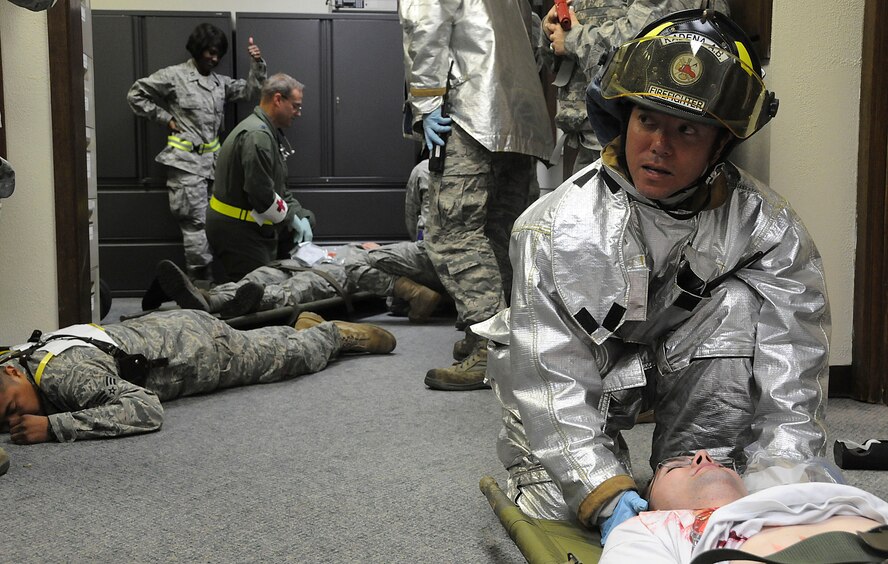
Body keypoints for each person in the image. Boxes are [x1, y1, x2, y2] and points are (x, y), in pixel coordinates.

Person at [474, 8, 834, 546]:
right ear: (624, 119)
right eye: (647, 121)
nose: (659, 146)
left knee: (737, 309)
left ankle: (689, 464)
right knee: (556, 501)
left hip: (686, 361)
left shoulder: (767, 229)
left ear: (721, 144)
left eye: (687, 129)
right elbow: (551, 372)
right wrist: (602, 491)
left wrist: (785, 484)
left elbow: (793, 375)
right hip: (584, 381)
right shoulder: (553, 228)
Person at [398, 0, 554, 391]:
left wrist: (426, 101)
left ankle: (491, 345)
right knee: (501, 233)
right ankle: (495, 334)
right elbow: (535, 35)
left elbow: (426, 23)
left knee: (453, 234)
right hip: (520, 116)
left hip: (469, 111)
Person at [0, 310, 395, 444]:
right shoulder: (13, 356)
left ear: (15, 373)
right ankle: (303, 325)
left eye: (15, 407)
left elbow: (144, 408)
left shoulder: (67, 378)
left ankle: (334, 334)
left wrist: (54, 427)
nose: (13, 421)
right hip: (166, 329)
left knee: (283, 361)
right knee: (258, 345)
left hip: (198, 351)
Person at [127, 23, 267, 284]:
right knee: (195, 229)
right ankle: (200, 290)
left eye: (218, 55)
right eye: (210, 53)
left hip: (215, 167)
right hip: (185, 166)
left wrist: (257, 63)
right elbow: (136, 94)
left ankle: (214, 290)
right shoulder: (174, 76)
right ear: (198, 49)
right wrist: (165, 117)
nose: (214, 59)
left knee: (218, 226)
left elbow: (252, 92)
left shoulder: (218, 83)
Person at [540, 0, 729, 176]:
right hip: (588, 138)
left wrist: (574, 39)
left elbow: (646, 41)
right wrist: (549, 30)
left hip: (652, 142)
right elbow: (554, 62)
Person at [600, 450, 887, 562]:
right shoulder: (648, 527)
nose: (702, 455)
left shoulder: (811, 493)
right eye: (675, 466)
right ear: (651, 508)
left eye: (722, 463)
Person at [153, 241, 444, 322]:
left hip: (334, 275)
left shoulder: (376, 263)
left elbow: (389, 290)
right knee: (261, 275)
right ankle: (211, 298)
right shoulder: (356, 247)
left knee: (295, 290)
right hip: (307, 259)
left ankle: (252, 302)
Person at [206, 73, 316, 283]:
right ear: (277, 100)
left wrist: (300, 215)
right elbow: (261, 195)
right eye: (296, 106)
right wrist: (291, 217)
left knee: (308, 218)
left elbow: (278, 188)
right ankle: (200, 292)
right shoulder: (258, 136)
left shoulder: (266, 131)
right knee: (259, 296)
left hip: (249, 224)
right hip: (238, 231)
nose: (298, 113)